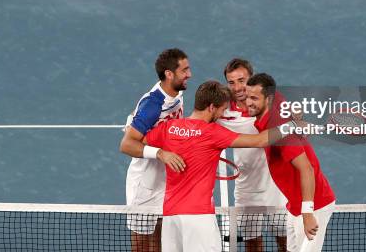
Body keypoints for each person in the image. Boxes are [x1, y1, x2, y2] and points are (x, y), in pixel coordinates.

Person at [120, 80, 300, 252]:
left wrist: (160, 152)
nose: (222, 115)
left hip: (171, 218)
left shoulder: (169, 128)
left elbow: (136, 141)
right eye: (222, 110)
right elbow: (260, 140)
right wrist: (291, 124)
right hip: (200, 220)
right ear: (211, 107)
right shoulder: (213, 133)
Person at [247, 73, 336, 252]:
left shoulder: (280, 131)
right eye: (248, 96)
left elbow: (307, 169)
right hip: (295, 204)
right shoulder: (271, 110)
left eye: (254, 98)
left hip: (314, 203)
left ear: (268, 99)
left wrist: (308, 212)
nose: (248, 102)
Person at [122, 48, 192, 252]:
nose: (189, 74)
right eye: (184, 70)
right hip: (145, 184)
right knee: (141, 244)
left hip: (166, 176)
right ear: (169, 74)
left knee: (161, 235)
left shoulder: (177, 93)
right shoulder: (153, 104)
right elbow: (126, 144)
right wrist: (161, 153)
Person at [218, 58, 287, 251]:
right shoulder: (222, 110)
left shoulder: (270, 100)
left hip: (278, 185)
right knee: (252, 242)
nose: (238, 87)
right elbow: (198, 124)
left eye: (242, 80)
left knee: (285, 241)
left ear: (251, 78)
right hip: (246, 186)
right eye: (231, 82)